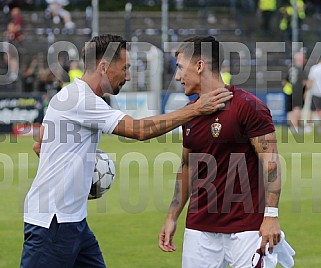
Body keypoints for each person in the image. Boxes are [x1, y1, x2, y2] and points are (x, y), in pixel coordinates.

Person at [20, 34, 233, 268]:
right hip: (53, 224)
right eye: (125, 68)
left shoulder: (67, 96)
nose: (128, 76)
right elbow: (139, 130)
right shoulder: (81, 100)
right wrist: (196, 109)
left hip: (72, 221)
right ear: (103, 67)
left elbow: (38, 145)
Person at [158, 36, 287, 267]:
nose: (177, 77)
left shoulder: (249, 107)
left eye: (179, 68)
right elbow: (187, 166)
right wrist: (171, 217)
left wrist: (271, 216)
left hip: (247, 229)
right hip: (199, 229)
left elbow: (272, 163)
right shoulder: (190, 114)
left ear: (199, 66)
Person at [282, 51, 307, 131]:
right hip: (298, 91)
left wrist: (288, 88)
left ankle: (292, 127)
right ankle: (296, 127)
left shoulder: (290, 67)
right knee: (297, 108)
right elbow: (305, 82)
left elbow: (284, 81)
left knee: (290, 109)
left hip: (288, 91)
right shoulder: (301, 69)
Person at [306, 57, 321, 132]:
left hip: (315, 93)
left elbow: (310, 81)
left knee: (311, 111)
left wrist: (306, 91)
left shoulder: (314, 68)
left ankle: (308, 127)